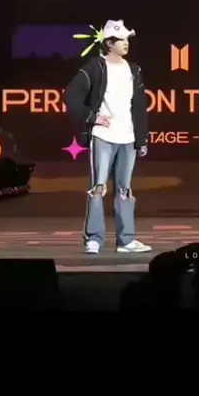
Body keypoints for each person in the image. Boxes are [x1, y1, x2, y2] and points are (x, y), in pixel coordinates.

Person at [64, 20, 152, 255]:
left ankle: (126, 240)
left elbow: (139, 105)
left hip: (128, 137)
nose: (126, 43)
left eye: (127, 39)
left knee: (124, 189)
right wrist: (92, 117)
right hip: (103, 136)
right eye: (122, 40)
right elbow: (71, 94)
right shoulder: (96, 67)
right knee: (98, 187)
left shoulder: (134, 70)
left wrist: (141, 138)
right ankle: (94, 238)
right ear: (110, 43)